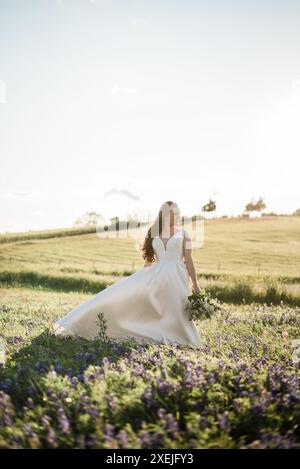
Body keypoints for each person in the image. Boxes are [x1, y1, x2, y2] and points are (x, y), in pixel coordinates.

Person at [53, 201, 201, 347]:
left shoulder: (184, 234)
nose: (177, 216)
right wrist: (140, 280)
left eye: (178, 213)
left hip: (177, 276)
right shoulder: (154, 233)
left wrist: (195, 285)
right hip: (156, 276)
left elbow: (189, 261)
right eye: (173, 213)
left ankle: (184, 339)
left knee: (178, 308)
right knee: (121, 296)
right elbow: (149, 261)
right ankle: (79, 322)